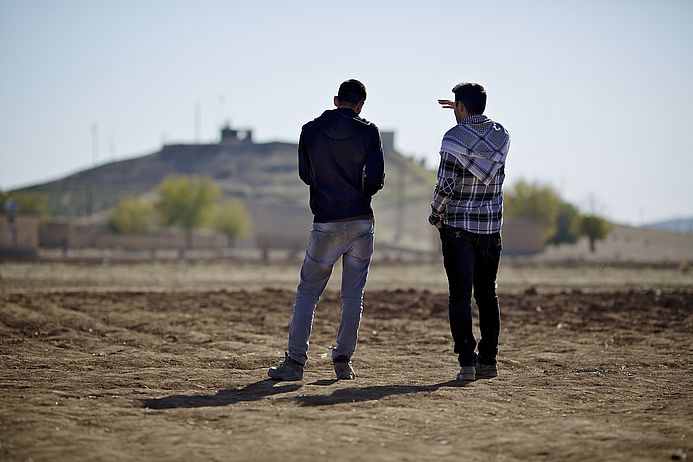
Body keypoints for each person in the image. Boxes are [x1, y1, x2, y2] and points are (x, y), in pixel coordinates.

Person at [268, 79, 385, 381]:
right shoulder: (369, 132)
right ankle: (343, 361)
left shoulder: (310, 130)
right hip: (361, 222)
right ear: (360, 104)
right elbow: (374, 181)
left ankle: (295, 363)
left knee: (308, 293)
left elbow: (306, 175)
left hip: (325, 223)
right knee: (353, 295)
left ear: (335, 100)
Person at [428, 82, 510, 382]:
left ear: (461, 106)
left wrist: (435, 215)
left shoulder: (453, 138)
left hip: (459, 228)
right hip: (491, 228)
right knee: (488, 294)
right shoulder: (501, 135)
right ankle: (489, 361)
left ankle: (466, 361)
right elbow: (484, 131)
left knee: (460, 296)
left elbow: (445, 186)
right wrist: (466, 113)